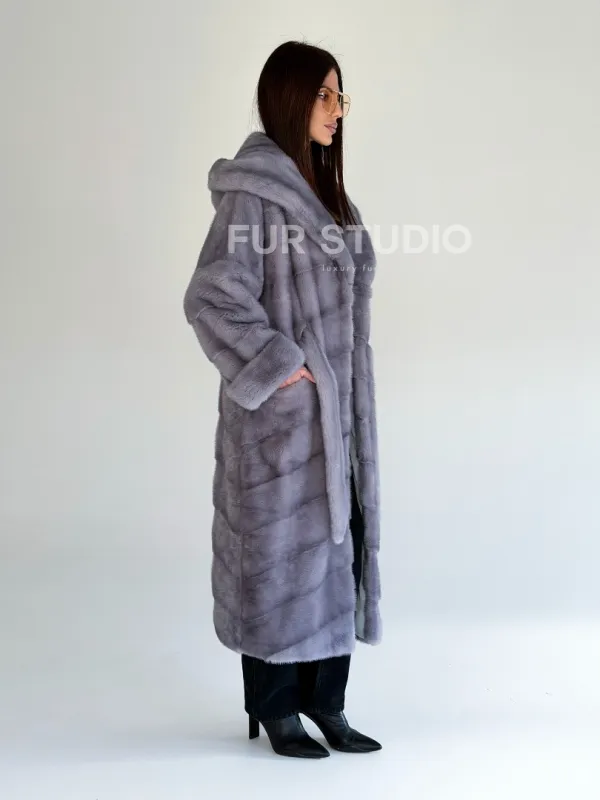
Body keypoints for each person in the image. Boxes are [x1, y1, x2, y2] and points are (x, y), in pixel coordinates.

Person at [183, 40, 383, 758]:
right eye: (324, 95)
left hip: (339, 421)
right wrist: (280, 366)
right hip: (283, 428)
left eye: (340, 96)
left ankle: (327, 702)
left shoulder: (330, 196)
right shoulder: (255, 194)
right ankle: (276, 708)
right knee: (279, 560)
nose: (337, 110)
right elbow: (212, 296)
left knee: (337, 547)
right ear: (291, 97)